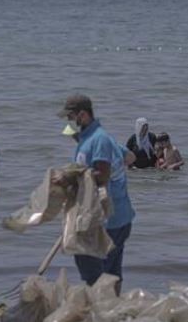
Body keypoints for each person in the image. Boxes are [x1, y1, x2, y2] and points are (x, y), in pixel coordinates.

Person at [56, 94, 135, 295]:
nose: (68, 122)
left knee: (93, 269)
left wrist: (70, 178)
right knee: (110, 271)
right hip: (115, 217)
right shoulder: (95, 139)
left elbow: (102, 176)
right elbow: (130, 157)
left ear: (82, 115)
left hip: (109, 219)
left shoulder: (99, 139)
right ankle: (112, 310)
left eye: (71, 118)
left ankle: (102, 309)